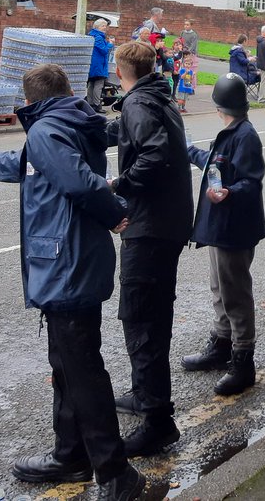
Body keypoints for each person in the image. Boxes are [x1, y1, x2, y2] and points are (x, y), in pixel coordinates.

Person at [0, 63, 145, 500]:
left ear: (31, 102)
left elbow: (78, 182)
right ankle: (71, 454)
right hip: (73, 260)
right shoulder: (71, 123)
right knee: (66, 366)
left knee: (82, 372)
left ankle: (117, 473)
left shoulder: (46, 130)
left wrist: (116, 212)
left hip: (65, 265)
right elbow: (32, 166)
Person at [105, 41, 194, 457]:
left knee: (142, 319)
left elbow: (154, 154)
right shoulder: (158, 97)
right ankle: (144, 395)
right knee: (150, 315)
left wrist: (119, 185)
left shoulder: (138, 104)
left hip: (152, 228)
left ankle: (158, 421)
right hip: (167, 223)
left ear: (120, 67)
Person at [181, 73, 265, 396]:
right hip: (220, 228)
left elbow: (251, 180)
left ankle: (243, 359)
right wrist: (190, 152)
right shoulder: (231, 131)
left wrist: (229, 192)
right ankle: (221, 344)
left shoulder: (246, 136)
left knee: (235, 293)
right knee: (220, 288)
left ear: (219, 107)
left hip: (235, 229)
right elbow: (215, 164)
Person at [86, 19, 115, 113]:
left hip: (93, 64)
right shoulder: (98, 37)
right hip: (99, 65)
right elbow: (103, 50)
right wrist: (110, 44)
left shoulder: (93, 36)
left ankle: (90, 103)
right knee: (98, 85)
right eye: (103, 26)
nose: (105, 28)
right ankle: (96, 104)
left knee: (91, 84)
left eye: (105, 26)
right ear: (97, 27)